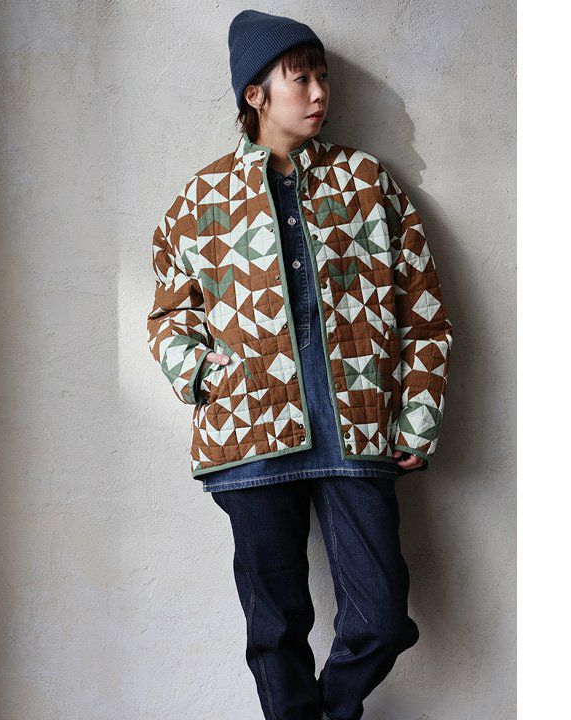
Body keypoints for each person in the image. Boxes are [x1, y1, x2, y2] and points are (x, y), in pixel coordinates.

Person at [146, 9, 453, 720]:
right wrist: (209, 377)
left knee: (381, 619)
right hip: (248, 437)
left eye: (323, 77)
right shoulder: (200, 201)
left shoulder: (367, 182)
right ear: (255, 95)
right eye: (300, 79)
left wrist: (417, 415)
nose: (318, 93)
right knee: (275, 629)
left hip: (358, 431)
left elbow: (424, 309)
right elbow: (167, 316)